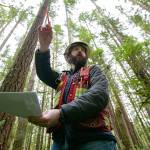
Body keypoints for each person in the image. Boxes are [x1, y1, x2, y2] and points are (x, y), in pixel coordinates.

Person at [28, 23, 116, 150]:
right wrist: (44, 46)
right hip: (60, 140)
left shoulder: (93, 70)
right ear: (68, 56)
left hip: (95, 138)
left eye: (83, 50)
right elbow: (44, 73)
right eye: (76, 49)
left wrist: (61, 113)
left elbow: (100, 94)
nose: (80, 50)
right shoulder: (62, 77)